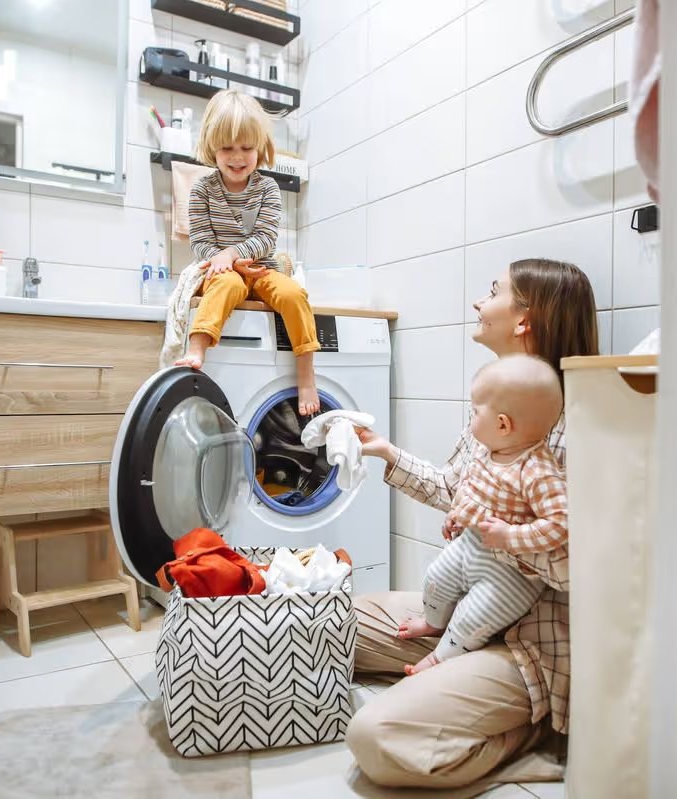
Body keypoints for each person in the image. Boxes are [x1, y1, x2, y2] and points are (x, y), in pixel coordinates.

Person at [346, 258, 599, 790]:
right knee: (327, 619)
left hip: (526, 646)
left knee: (377, 737)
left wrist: (498, 536)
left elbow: (583, 569)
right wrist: (386, 453)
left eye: (492, 291)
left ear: (525, 321)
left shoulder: (578, 426)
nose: (478, 303)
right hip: (467, 613)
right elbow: (455, 490)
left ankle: (536, 740)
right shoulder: (498, 403)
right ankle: (452, 675)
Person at [400, 355, 568, 676]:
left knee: (474, 617)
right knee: (435, 578)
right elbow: (471, 487)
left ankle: (440, 658)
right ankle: (434, 622)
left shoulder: (537, 471)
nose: (471, 418)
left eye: (475, 412)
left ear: (503, 424)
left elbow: (560, 523)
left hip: (510, 572)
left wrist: (511, 536)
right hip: (472, 546)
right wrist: (458, 514)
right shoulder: (487, 450)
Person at [174, 89, 321, 415]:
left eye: (246, 148)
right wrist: (226, 261)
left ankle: (306, 374)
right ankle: (197, 349)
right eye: (227, 148)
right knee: (224, 286)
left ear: (261, 148)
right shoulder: (202, 189)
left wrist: (234, 256)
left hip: (263, 268)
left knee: (294, 294)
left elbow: (266, 237)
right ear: (212, 147)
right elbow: (199, 242)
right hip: (223, 272)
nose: (237, 157)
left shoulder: (267, 188)